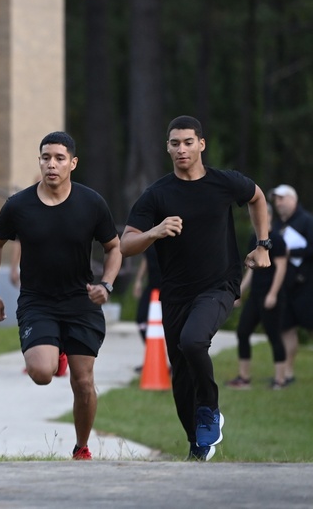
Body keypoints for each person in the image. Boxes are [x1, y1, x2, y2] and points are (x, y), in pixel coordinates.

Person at [120, 115, 271, 462]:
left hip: (220, 285)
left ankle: (210, 410)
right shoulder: (157, 194)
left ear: (201, 144)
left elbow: (257, 197)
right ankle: (197, 443)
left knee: (193, 341)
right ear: (167, 148)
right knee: (181, 378)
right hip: (175, 293)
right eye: (175, 143)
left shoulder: (224, 183)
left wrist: (263, 245)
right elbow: (126, 243)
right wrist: (154, 232)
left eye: (188, 142)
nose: (182, 149)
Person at [0, 131, 121, 461]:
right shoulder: (19, 205)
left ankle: (81, 446)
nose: (52, 164)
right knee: (42, 373)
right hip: (37, 301)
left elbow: (114, 247)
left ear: (72, 163)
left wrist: (107, 284)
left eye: (60, 158)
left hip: (81, 300)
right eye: (46, 157)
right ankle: (55, 349)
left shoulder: (91, 203)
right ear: (40, 161)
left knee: (83, 382)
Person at [226, 230, 288, 389]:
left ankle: (280, 380)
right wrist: (239, 292)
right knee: (242, 332)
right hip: (255, 295)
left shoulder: (277, 239)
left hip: (271, 295)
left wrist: (273, 294)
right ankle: (244, 378)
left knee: (274, 335)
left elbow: (281, 268)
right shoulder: (254, 238)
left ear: (269, 216)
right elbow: (251, 271)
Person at [268, 184, 313, 385]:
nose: (278, 203)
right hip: (286, 287)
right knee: (287, 328)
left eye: (282, 199)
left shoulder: (307, 221)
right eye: (276, 200)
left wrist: (292, 253)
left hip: (306, 285)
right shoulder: (277, 225)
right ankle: (288, 371)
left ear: (293, 200)